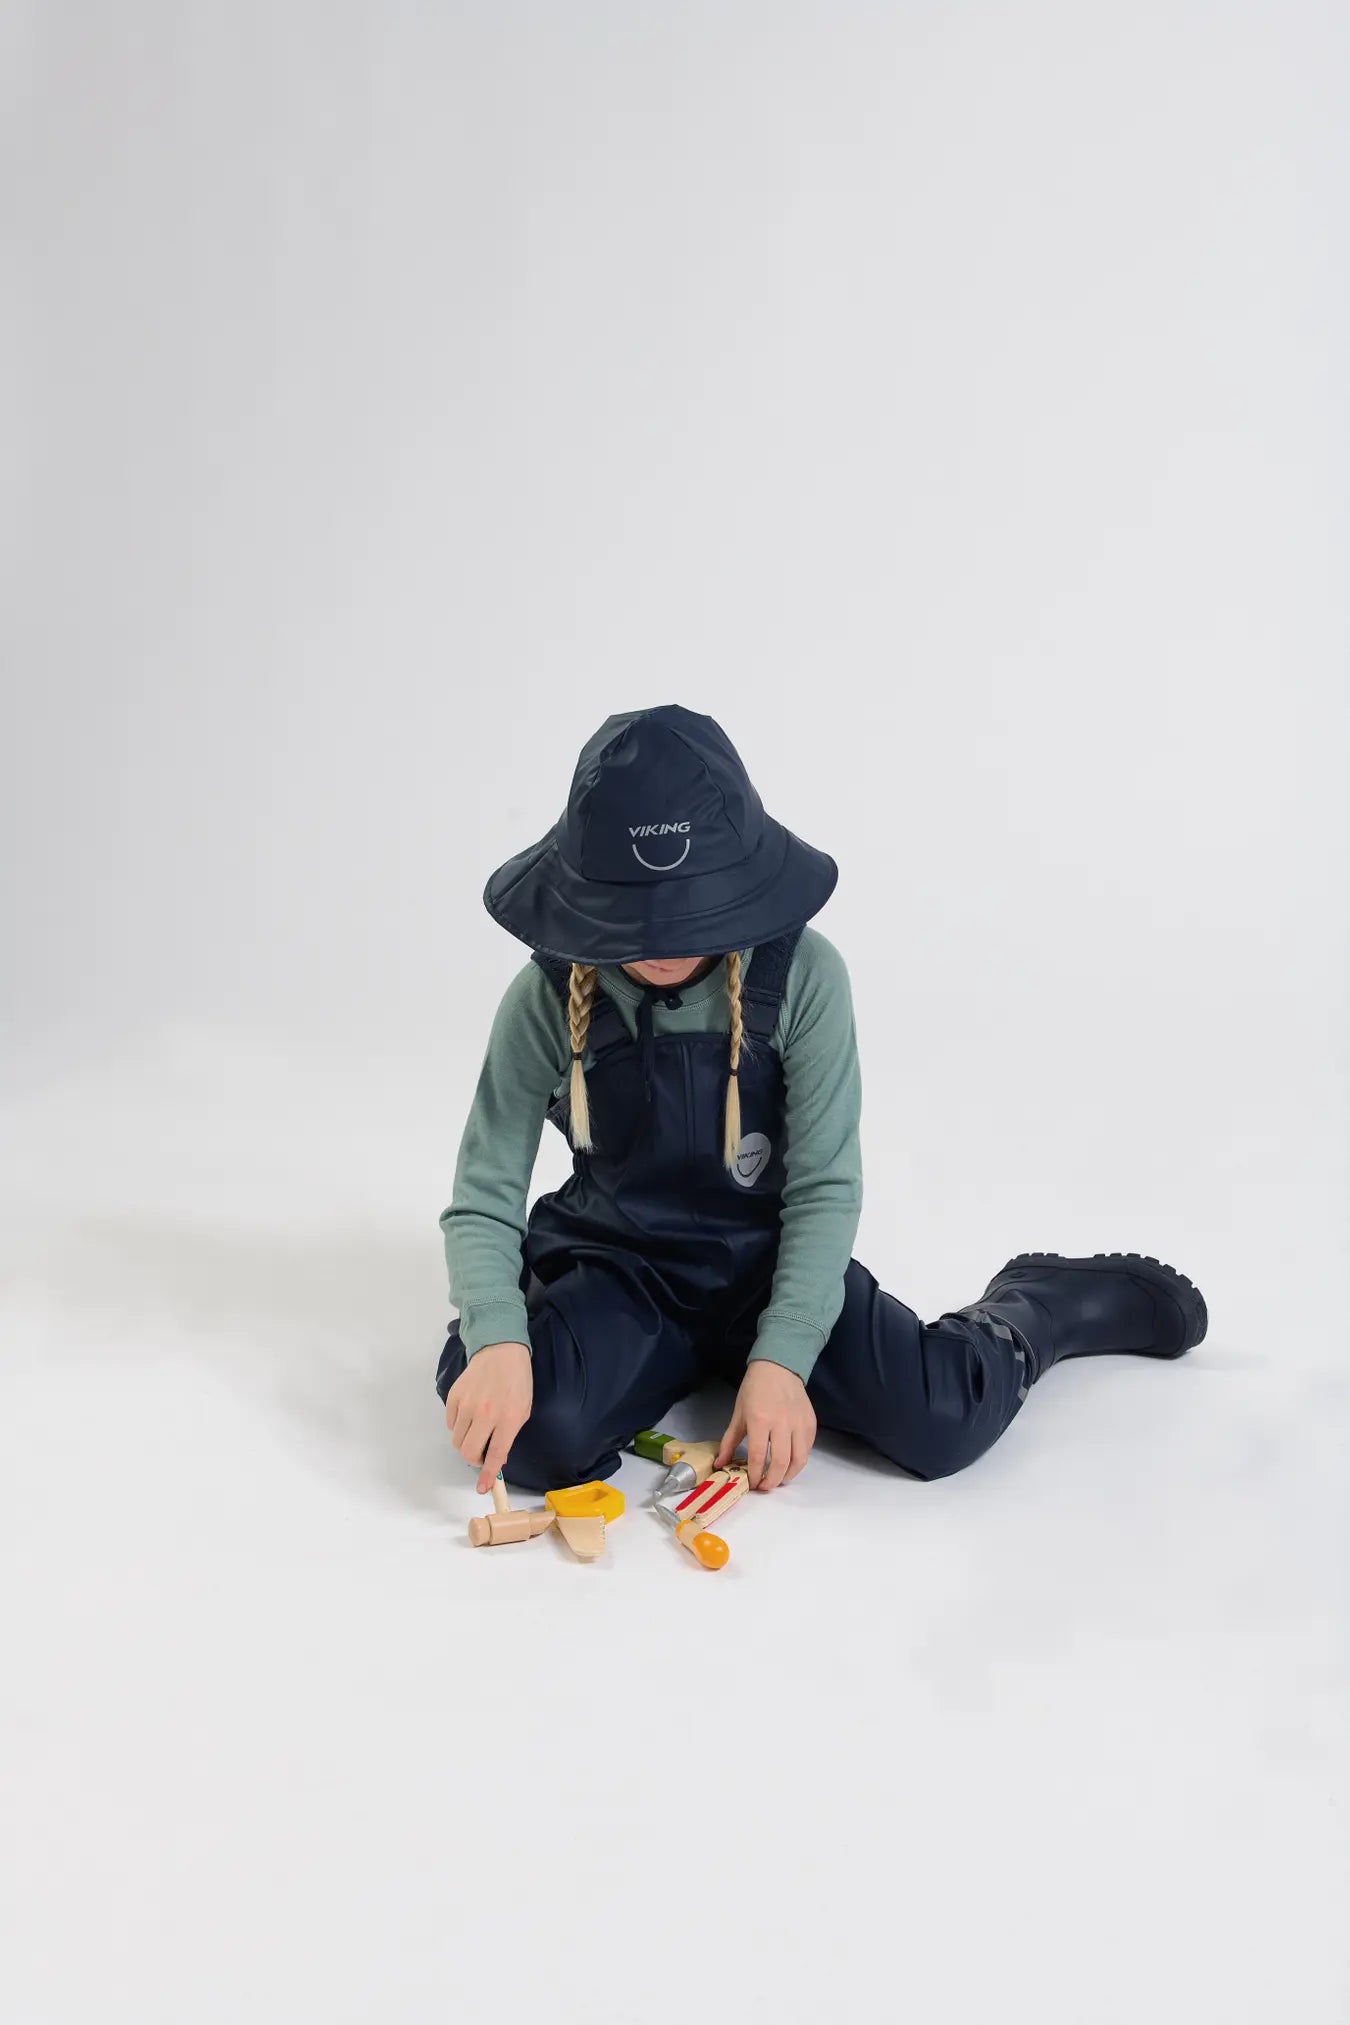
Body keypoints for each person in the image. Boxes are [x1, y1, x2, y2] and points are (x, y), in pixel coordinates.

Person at [435, 704, 1207, 1496]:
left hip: (766, 1264)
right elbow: (484, 1192)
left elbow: (825, 1186)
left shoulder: (805, 976)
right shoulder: (544, 996)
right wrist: (496, 1339)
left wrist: (782, 1355)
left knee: (944, 1418)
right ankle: (599, 1355)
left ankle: (1043, 1304)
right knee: (530, 1438)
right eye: (632, 919)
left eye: (686, 914)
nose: (660, 944)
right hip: (621, 1271)